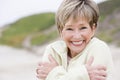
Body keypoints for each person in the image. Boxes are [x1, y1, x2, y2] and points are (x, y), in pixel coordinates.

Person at [36, 0, 113, 80]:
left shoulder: (99, 48)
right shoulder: (53, 50)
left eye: (83, 28)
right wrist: (85, 74)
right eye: (69, 29)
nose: (77, 36)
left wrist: (54, 72)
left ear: (93, 29)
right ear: (60, 31)